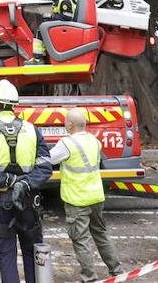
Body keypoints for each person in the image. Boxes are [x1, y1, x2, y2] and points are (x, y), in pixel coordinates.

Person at [0, 79, 52, 283]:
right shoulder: (32, 130)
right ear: (14, 105)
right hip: (28, 202)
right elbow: (44, 168)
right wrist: (23, 183)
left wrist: (8, 180)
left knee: (6, 256)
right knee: (31, 252)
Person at [50, 108, 122, 281]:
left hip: (77, 199)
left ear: (69, 124)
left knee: (81, 240)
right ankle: (117, 271)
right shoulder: (94, 141)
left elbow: (49, 159)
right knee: (101, 234)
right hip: (96, 197)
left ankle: (89, 278)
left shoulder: (66, 143)